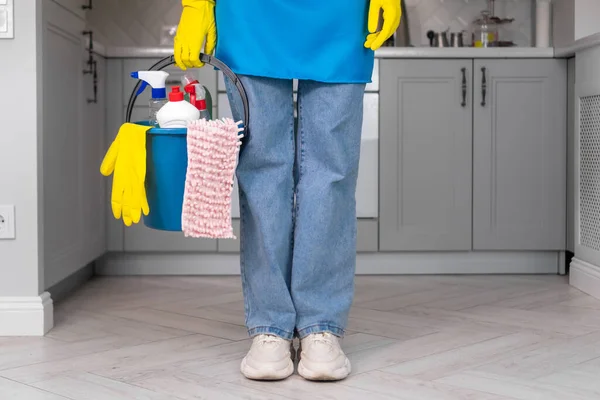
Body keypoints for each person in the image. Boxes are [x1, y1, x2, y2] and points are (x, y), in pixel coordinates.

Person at [174, 0, 401, 381]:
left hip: (342, 14)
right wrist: (196, 4)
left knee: (332, 174)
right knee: (262, 168)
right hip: (250, 13)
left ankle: (320, 326)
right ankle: (270, 328)